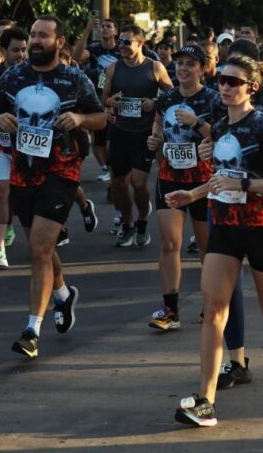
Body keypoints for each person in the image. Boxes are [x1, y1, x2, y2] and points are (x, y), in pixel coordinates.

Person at [170, 55, 263, 427]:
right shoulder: (221, 124)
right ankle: (205, 400)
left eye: (233, 81)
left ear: (252, 88)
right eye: (222, 79)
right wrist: (192, 194)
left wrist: (246, 186)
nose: (224, 86)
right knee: (214, 309)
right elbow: (223, 176)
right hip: (224, 225)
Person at [0, 15, 107, 358]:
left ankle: (32, 330)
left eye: (43, 35)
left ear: (59, 42)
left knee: (41, 249)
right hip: (23, 171)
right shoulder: (12, 76)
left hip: (61, 171)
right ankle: (63, 294)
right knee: (39, 249)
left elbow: (101, 118)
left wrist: (80, 119)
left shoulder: (74, 79)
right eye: (32, 35)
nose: (35, 41)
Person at [147, 44, 217, 331]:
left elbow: (223, 133)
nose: (183, 68)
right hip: (170, 177)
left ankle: (211, 303)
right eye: (180, 63)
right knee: (169, 243)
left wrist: (197, 122)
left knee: (206, 247)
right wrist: (154, 143)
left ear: (202, 69)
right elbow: (158, 130)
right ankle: (170, 310)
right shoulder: (167, 98)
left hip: (203, 181)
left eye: (190, 64)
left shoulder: (213, 98)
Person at [102, 25, 173, 247]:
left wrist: (155, 101)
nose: (122, 46)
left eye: (127, 42)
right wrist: (110, 102)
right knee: (118, 183)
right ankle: (128, 223)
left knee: (138, 182)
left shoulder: (155, 67)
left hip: (145, 132)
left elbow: (172, 93)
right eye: (120, 41)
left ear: (140, 43)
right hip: (120, 131)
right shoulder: (113, 68)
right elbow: (103, 96)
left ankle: (142, 219)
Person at [0, 27, 29, 267]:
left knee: (24, 195)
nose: (21, 55)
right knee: (1, 191)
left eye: (24, 49)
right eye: (15, 50)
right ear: (2, 51)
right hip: (0, 143)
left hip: (30, 145)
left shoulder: (34, 74)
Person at [73, 17, 120, 183]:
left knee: (114, 137)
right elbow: (76, 56)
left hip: (119, 99)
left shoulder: (122, 49)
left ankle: (116, 166)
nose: (105, 29)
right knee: (98, 140)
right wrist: (87, 29)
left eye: (109, 26)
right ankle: (106, 167)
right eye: (103, 26)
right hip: (97, 99)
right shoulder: (94, 49)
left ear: (115, 31)